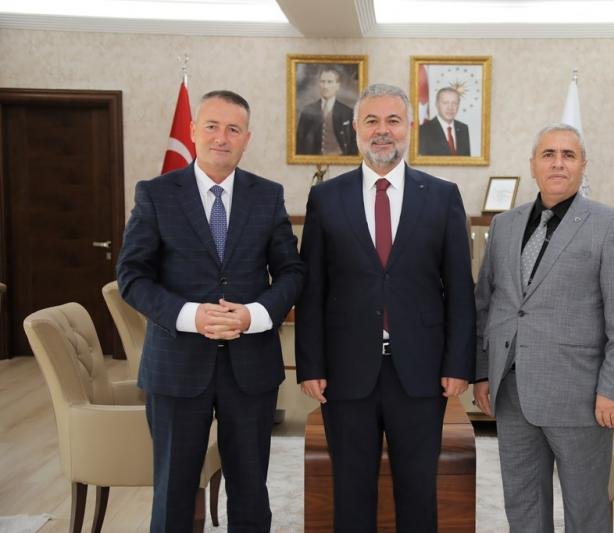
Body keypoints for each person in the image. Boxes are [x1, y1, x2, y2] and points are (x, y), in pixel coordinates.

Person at [117, 90, 304, 532]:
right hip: (176, 367)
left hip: (250, 368)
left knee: (251, 492)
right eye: (213, 126)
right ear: (193, 131)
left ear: (246, 138)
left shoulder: (267, 196)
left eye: (233, 129)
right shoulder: (156, 194)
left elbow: (292, 272)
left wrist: (255, 315)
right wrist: (190, 316)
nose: (222, 137)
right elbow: (132, 276)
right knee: (173, 493)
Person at [295, 83, 476, 532]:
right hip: (345, 372)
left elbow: (459, 288)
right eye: (371, 121)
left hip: (420, 373)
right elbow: (312, 289)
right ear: (355, 128)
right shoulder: (326, 198)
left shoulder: (442, 196)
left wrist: (458, 364)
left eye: (393, 121)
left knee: (418, 492)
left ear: (409, 127)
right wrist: (310, 365)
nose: (382, 131)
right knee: (350, 493)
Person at [473, 123, 614, 532]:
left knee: (585, 512)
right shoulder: (505, 225)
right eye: (548, 154)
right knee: (523, 506)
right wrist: (482, 373)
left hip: (580, 397)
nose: (558, 163)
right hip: (512, 391)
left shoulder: (612, 225)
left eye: (568, 155)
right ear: (532, 165)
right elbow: (487, 304)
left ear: (583, 165)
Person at [295, 67, 357, 156]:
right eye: (322, 82)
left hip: (341, 159)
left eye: (329, 82)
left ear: (337, 86)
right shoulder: (307, 111)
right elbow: (299, 142)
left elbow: (355, 144)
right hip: (313, 160)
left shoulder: (347, 112)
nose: (325, 86)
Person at [418, 87, 471, 156]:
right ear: (437, 104)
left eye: (454, 103)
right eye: (445, 103)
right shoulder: (423, 130)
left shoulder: (463, 128)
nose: (450, 107)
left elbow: (467, 160)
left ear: (458, 106)